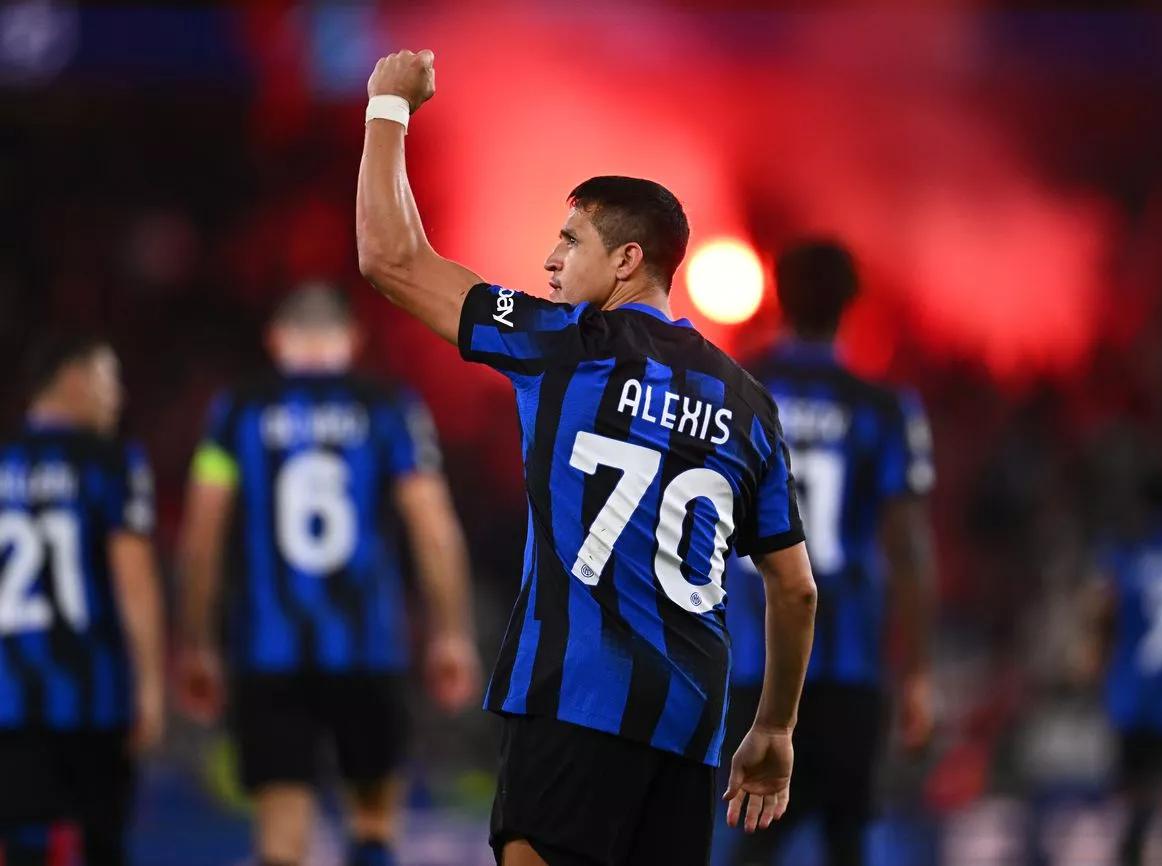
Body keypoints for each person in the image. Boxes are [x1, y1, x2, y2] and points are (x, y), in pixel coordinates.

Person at [355, 50, 819, 866]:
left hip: (575, 700)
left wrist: (387, 108)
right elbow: (796, 588)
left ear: (628, 259)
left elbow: (390, 258)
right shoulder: (751, 405)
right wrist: (774, 727)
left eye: (569, 241)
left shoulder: (565, 345)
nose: (549, 262)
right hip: (689, 727)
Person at [176, 284, 481, 866]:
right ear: (351, 339)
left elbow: (202, 533)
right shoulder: (388, 407)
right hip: (368, 647)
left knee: (282, 840)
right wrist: (450, 633)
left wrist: (195, 642)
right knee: (373, 823)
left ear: (276, 339)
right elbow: (433, 527)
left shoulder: (237, 410)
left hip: (269, 651)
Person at [722, 240, 937, 866]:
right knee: (846, 837)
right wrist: (919, 672)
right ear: (852, 305)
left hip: (747, 653)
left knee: (749, 831)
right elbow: (910, 545)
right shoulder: (883, 408)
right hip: (847, 658)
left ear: (777, 296)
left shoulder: (731, 390)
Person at [0, 333, 165, 866]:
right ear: (73, 380)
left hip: (9, 696)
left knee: (23, 845)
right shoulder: (111, 461)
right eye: (107, 380)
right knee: (103, 844)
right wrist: (150, 683)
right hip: (94, 693)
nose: (117, 396)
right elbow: (133, 579)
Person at [1079, 481, 1162, 866]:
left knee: (1136, 796)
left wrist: (1095, 663)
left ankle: (1133, 846)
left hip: (1135, 696)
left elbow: (1101, 612)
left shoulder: (1123, 559)